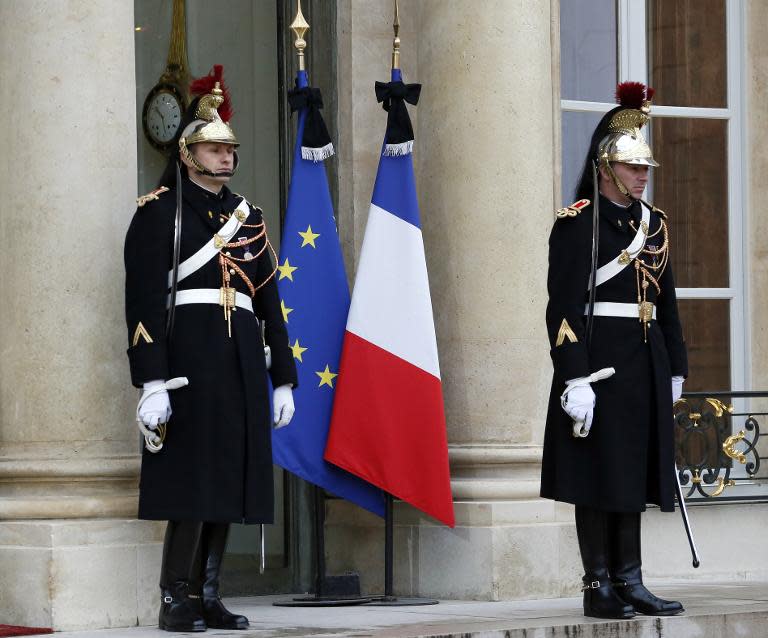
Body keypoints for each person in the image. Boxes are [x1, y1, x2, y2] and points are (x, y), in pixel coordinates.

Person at [124, 66, 297, 632]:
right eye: (213, 148)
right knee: (191, 481)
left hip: (242, 360)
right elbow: (145, 301)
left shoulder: (250, 218)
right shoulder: (159, 212)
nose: (225, 157)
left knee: (230, 477)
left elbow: (269, 301)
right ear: (187, 153)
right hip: (190, 361)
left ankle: (208, 593)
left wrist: (285, 376)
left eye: (230, 149)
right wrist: (152, 380)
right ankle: (175, 597)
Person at [540, 82, 688, 620]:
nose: (643, 175)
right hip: (598, 362)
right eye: (633, 168)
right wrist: (573, 378)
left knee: (632, 472)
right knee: (598, 476)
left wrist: (677, 369)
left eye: (645, 167)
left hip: (644, 361)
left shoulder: (655, 224)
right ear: (606, 167)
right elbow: (563, 308)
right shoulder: (578, 222)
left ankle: (632, 579)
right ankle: (597, 583)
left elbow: (667, 304)